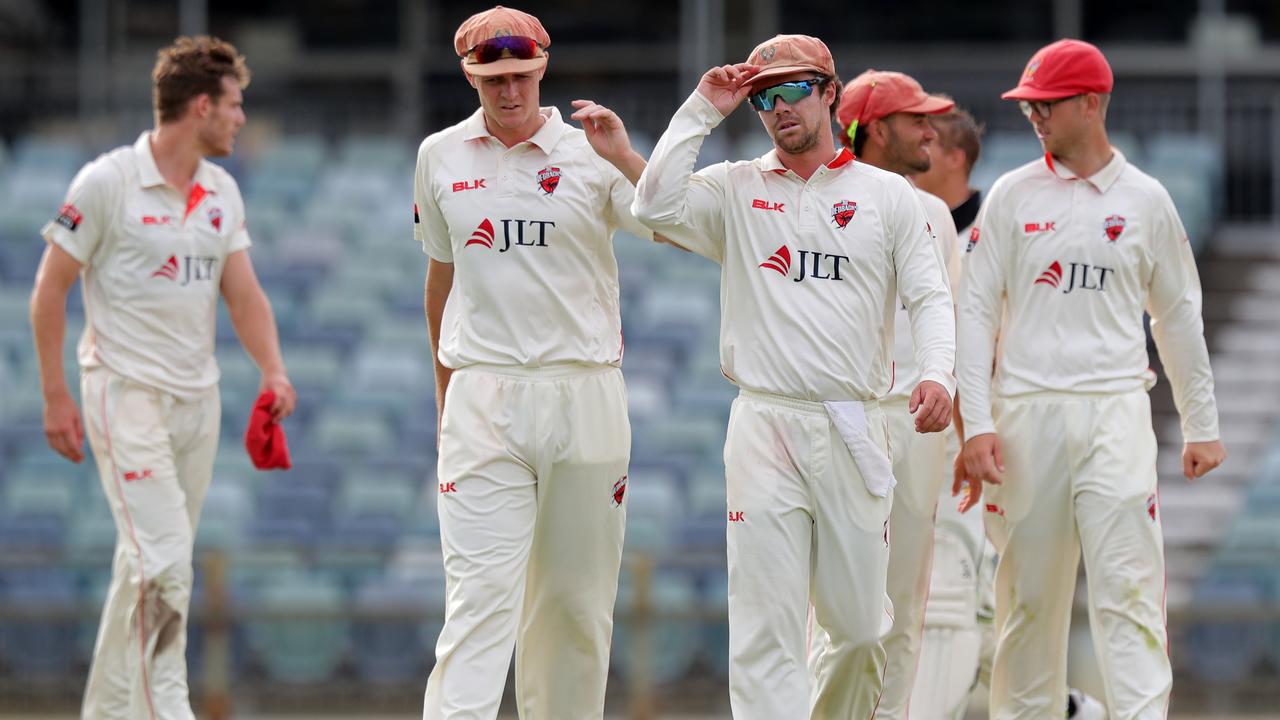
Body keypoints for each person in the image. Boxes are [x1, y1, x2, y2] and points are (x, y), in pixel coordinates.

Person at [629, 34, 956, 719]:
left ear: (829, 92)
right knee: (766, 630)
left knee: (864, 631)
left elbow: (929, 296)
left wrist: (938, 375)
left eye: (793, 91)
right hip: (765, 424)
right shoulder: (736, 188)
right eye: (763, 99)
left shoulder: (886, 197)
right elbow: (651, 208)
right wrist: (700, 109)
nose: (779, 108)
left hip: (854, 424)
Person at [958, 38, 1226, 719]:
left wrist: (1201, 425)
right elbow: (974, 311)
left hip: (1115, 410)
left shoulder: (1146, 200)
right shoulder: (1013, 197)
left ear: (1092, 103)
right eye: (1029, 107)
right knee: (1027, 601)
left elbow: (1178, 316)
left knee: (1130, 591)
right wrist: (979, 421)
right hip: (1027, 417)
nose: (1035, 117)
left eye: (1048, 105)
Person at [30, 36, 295, 720]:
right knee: (168, 564)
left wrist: (273, 370)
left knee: (145, 564)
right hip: (124, 393)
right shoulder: (106, 182)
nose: (241, 119)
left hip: (196, 402)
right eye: (234, 106)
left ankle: (105, 711)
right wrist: (56, 395)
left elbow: (245, 295)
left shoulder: (221, 191)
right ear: (201, 106)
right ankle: (166, 710)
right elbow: (49, 290)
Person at [414, 6, 661, 718]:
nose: (510, 92)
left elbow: (672, 224)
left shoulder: (593, 149)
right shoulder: (440, 155)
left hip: (584, 392)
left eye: (521, 75)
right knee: (478, 606)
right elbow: (441, 278)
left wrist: (624, 158)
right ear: (470, 75)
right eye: (493, 78)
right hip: (483, 397)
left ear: (543, 67)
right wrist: (445, 395)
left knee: (575, 612)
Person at [833, 69, 960, 720]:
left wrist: (965, 425)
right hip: (844, 417)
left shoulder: (935, 213)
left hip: (916, 422)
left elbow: (951, 319)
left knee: (905, 602)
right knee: (838, 604)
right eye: (916, 119)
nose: (930, 129)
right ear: (877, 129)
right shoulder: (821, 201)